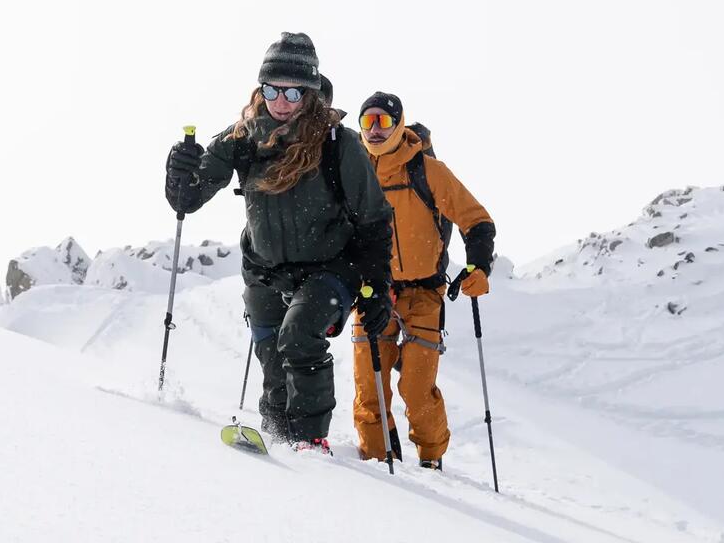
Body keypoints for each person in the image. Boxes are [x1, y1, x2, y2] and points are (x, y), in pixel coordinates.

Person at [164, 33, 396, 452]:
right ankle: (276, 442)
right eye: (272, 90)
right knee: (272, 359)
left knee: (299, 337)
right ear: (261, 89)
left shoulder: (337, 143)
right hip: (265, 270)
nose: (281, 102)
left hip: (330, 268)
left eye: (292, 92)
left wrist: (378, 286)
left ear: (309, 93)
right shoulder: (242, 138)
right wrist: (178, 171)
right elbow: (188, 199)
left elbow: (375, 219)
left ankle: (309, 441)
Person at [347, 91, 497, 470]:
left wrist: (479, 266)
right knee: (369, 389)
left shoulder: (427, 170)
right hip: (372, 292)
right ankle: (377, 464)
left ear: (399, 125)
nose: (375, 130)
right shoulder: (353, 172)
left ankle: (431, 460)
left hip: (423, 293)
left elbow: (476, 219)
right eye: (368, 122)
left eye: (383, 121)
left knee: (416, 389)